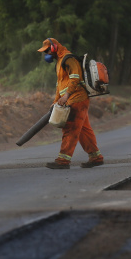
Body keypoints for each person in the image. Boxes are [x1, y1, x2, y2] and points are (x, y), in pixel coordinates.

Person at [38, 38, 104, 169]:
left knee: (70, 128)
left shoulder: (69, 59)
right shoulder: (59, 62)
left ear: (54, 48)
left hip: (77, 98)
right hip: (73, 99)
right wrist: (56, 101)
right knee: (83, 130)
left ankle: (63, 161)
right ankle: (96, 157)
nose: (47, 54)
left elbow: (75, 78)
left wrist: (66, 95)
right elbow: (59, 85)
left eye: (47, 51)